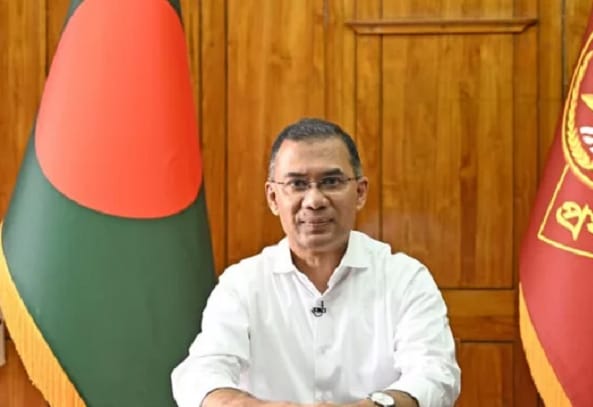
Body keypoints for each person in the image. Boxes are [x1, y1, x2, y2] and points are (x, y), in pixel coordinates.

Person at [171, 118, 461, 407]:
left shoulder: (405, 278)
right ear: (273, 198)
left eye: (331, 182)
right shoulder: (242, 283)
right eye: (297, 184)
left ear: (360, 192)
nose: (314, 200)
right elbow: (200, 375)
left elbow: (435, 375)